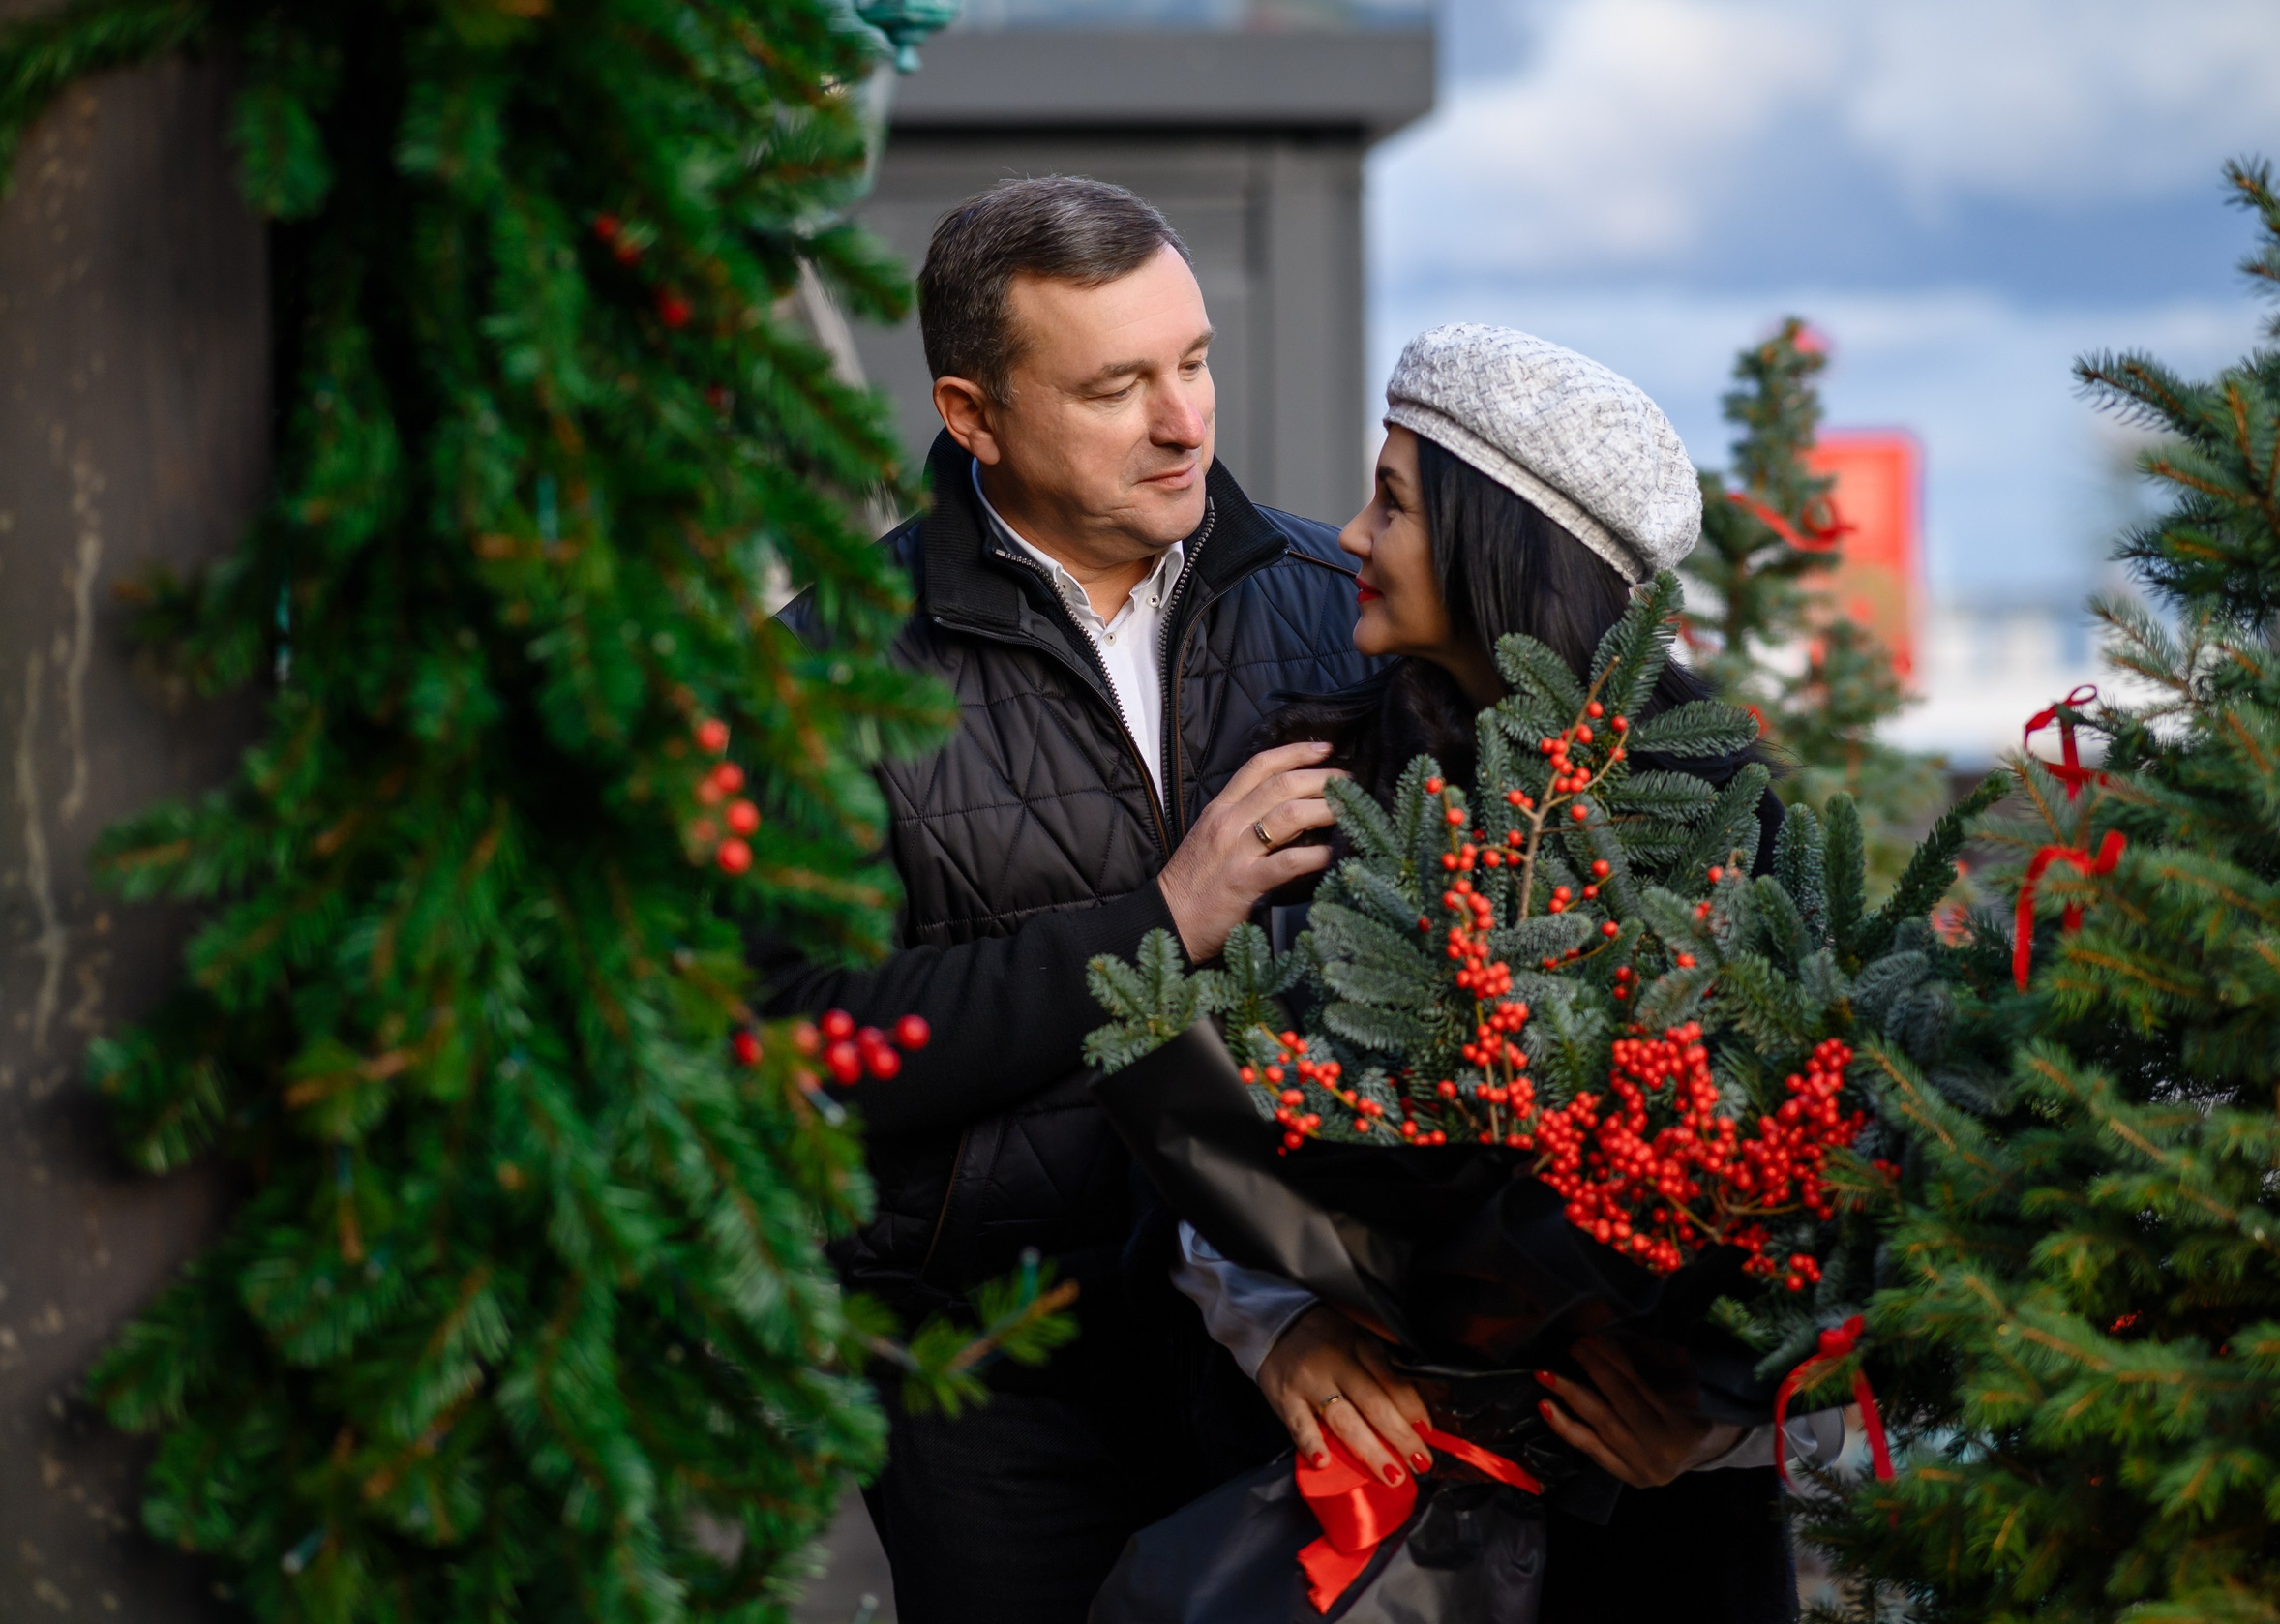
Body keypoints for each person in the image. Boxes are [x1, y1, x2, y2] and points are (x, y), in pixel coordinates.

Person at [760, 178, 1378, 1622]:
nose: (1184, 421)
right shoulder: (826, 668)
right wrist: (1154, 923)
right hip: (985, 1371)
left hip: (1299, 1342)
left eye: (1197, 360)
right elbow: (796, 1046)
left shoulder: (1334, 610)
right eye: (1117, 386)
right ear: (973, 415)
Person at [1172, 324, 1845, 1623]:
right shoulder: (1324, 785)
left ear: (1500, 550)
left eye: (1394, 503)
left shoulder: (1718, 813)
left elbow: (1831, 1188)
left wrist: (1714, 1425)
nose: (1352, 537)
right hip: (1378, 1518)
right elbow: (1205, 1113)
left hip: (1651, 1538)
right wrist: (1282, 1326)